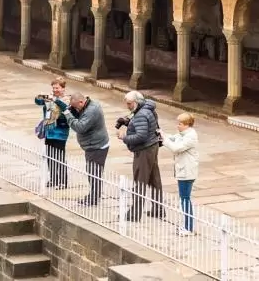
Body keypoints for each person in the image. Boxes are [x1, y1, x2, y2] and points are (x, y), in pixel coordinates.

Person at [54, 92, 109, 205]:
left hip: (97, 146)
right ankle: (94, 195)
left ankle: (94, 198)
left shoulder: (91, 111)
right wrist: (72, 109)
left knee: (94, 172)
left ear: (81, 102)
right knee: (92, 172)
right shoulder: (87, 105)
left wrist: (68, 114)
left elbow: (80, 127)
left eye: (75, 106)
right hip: (92, 145)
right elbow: (79, 115)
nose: (74, 108)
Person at [117, 90, 164, 221]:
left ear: (137, 102)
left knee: (140, 181)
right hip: (152, 146)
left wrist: (124, 137)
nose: (128, 106)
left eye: (130, 104)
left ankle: (134, 214)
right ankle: (158, 209)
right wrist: (127, 122)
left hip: (144, 150)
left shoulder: (141, 115)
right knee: (154, 180)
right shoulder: (147, 108)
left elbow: (141, 136)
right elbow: (145, 127)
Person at [162, 112, 199, 236]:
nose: (178, 126)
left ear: (187, 125)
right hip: (183, 170)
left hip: (187, 172)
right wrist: (162, 134)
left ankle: (188, 227)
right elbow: (173, 138)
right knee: (184, 199)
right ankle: (186, 225)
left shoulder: (191, 137)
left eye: (180, 124)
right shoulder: (183, 133)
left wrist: (165, 140)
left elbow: (176, 148)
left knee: (185, 199)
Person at [33, 77, 70, 188]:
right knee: (50, 157)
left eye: (57, 88)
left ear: (63, 88)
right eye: (53, 88)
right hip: (49, 131)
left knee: (60, 157)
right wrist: (41, 96)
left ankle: (63, 181)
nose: (55, 90)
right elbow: (38, 102)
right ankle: (53, 179)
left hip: (61, 132)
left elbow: (65, 110)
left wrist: (55, 99)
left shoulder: (67, 99)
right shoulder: (49, 98)